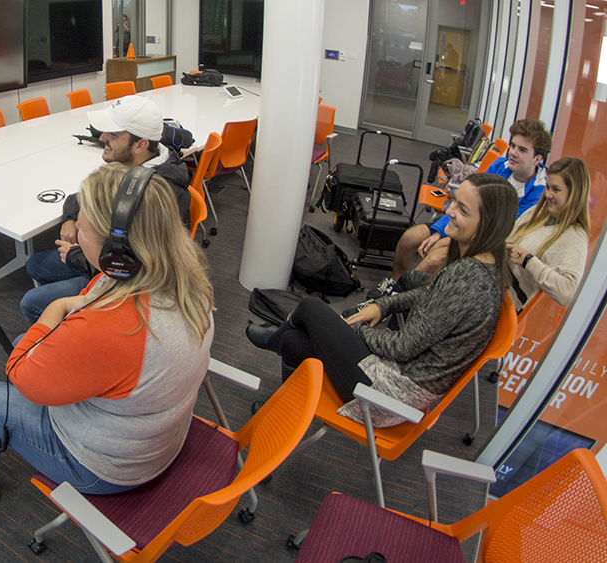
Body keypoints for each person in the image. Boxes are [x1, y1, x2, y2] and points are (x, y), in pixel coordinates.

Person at [0, 163, 215, 504]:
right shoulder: (184, 278)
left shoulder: (110, 325)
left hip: (105, 468)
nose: (74, 233)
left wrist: (58, 306)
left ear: (117, 250)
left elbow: (19, 370)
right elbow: (100, 307)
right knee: (24, 342)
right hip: (155, 431)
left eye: (84, 228)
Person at [246, 173, 518, 426]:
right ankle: (281, 417)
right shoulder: (486, 267)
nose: (449, 211)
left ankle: (274, 340)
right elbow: (427, 295)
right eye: (454, 203)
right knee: (294, 341)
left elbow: (402, 348)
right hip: (402, 385)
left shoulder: (467, 278)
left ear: (488, 225)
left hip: (388, 394)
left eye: (463, 210)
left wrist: (355, 329)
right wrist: (383, 305)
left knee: (310, 308)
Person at [19, 96, 191, 323]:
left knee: (31, 302)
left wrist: (76, 257)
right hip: (102, 252)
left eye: (113, 134)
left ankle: (75, 334)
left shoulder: (156, 194)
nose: (102, 138)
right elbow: (81, 196)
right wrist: (70, 219)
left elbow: (138, 266)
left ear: (140, 145)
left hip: (126, 279)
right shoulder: (130, 162)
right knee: (34, 264)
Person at [369, 118, 551, 298]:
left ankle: (400, 301)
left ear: (537, 158)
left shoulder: (539, 194)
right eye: (513, 146)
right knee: (410, 238)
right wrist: (439, 232)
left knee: (432, 260)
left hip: (485, 242)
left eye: (522, 150)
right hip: (464, 221)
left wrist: (452, 238)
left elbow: (499, 229)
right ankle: (393, 285)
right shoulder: (499, 166)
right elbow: (466, 200)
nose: (513, 153)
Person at [505, 157, 591, 310]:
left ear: (574, 194)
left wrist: (527, 260)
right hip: (495, 288)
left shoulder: (575, 236)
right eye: (548, 187)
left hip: (504, 306)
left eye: (556, 190)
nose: (548, 194)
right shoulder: (539, 213)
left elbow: (566, 293)